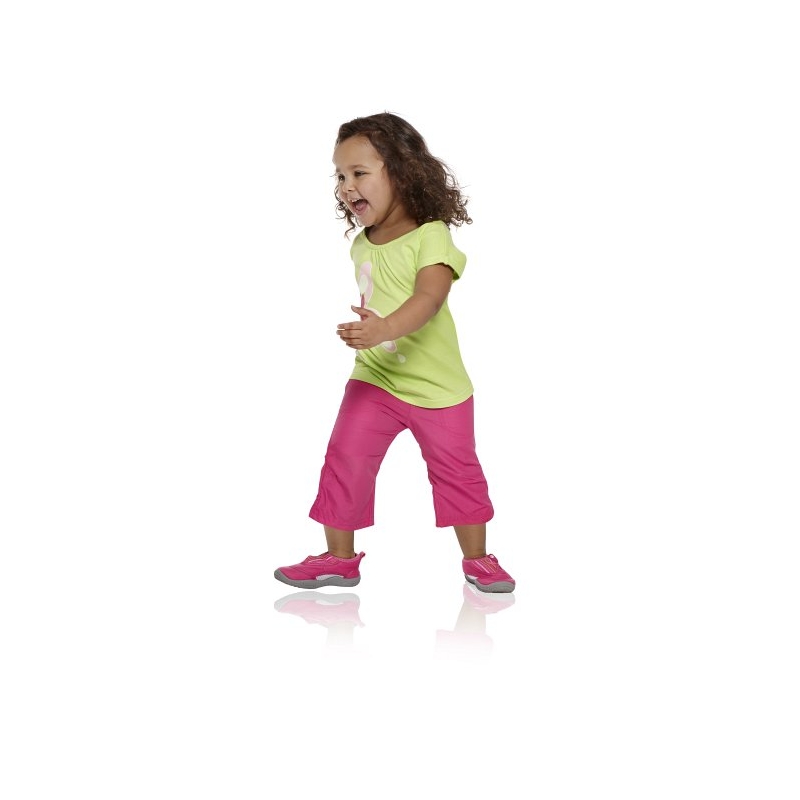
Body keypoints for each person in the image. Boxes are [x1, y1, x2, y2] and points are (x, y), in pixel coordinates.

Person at [274, 112, 515, 593]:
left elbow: (429, 298)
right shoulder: (361, 244)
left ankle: (478, 560)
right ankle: (339, 559)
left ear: (402, 173)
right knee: (345, 457)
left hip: (437, 387)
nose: (346, 186)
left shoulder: (431, 235)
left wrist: (385, 327)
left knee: (457, 473)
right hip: (376, 377)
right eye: (340, 176)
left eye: (359, 173)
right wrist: (373, 334)